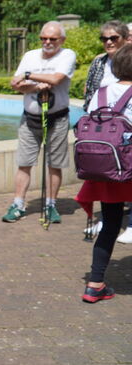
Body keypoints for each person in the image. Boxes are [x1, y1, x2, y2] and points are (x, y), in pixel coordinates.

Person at [74, 43, 132, 302]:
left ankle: (95, 283)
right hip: (129, 166)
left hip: (108, 168)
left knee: (110, 224)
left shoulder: (101, 92)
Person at [2, 21, 76, 224]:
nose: (47, 42)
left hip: (57, 117)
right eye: (44, 38)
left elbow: (56, 79)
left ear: (62, 39)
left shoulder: (67, 55)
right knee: (24, 162)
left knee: (55, 163)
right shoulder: (30, 56)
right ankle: (17, 204)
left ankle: (51, 204)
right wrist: (36, 86)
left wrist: (28, 76)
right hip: (30, 117)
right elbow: (15, 84)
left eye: (53, 39)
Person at [81, 21, 129, 239]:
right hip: (103, 128)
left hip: (125, 131)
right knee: (107, 176)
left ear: (124, 38)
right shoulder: (99, 62)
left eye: (113, 38)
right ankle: (107, 220)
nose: (108, 42)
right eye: (104, 38)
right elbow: (90, 91)